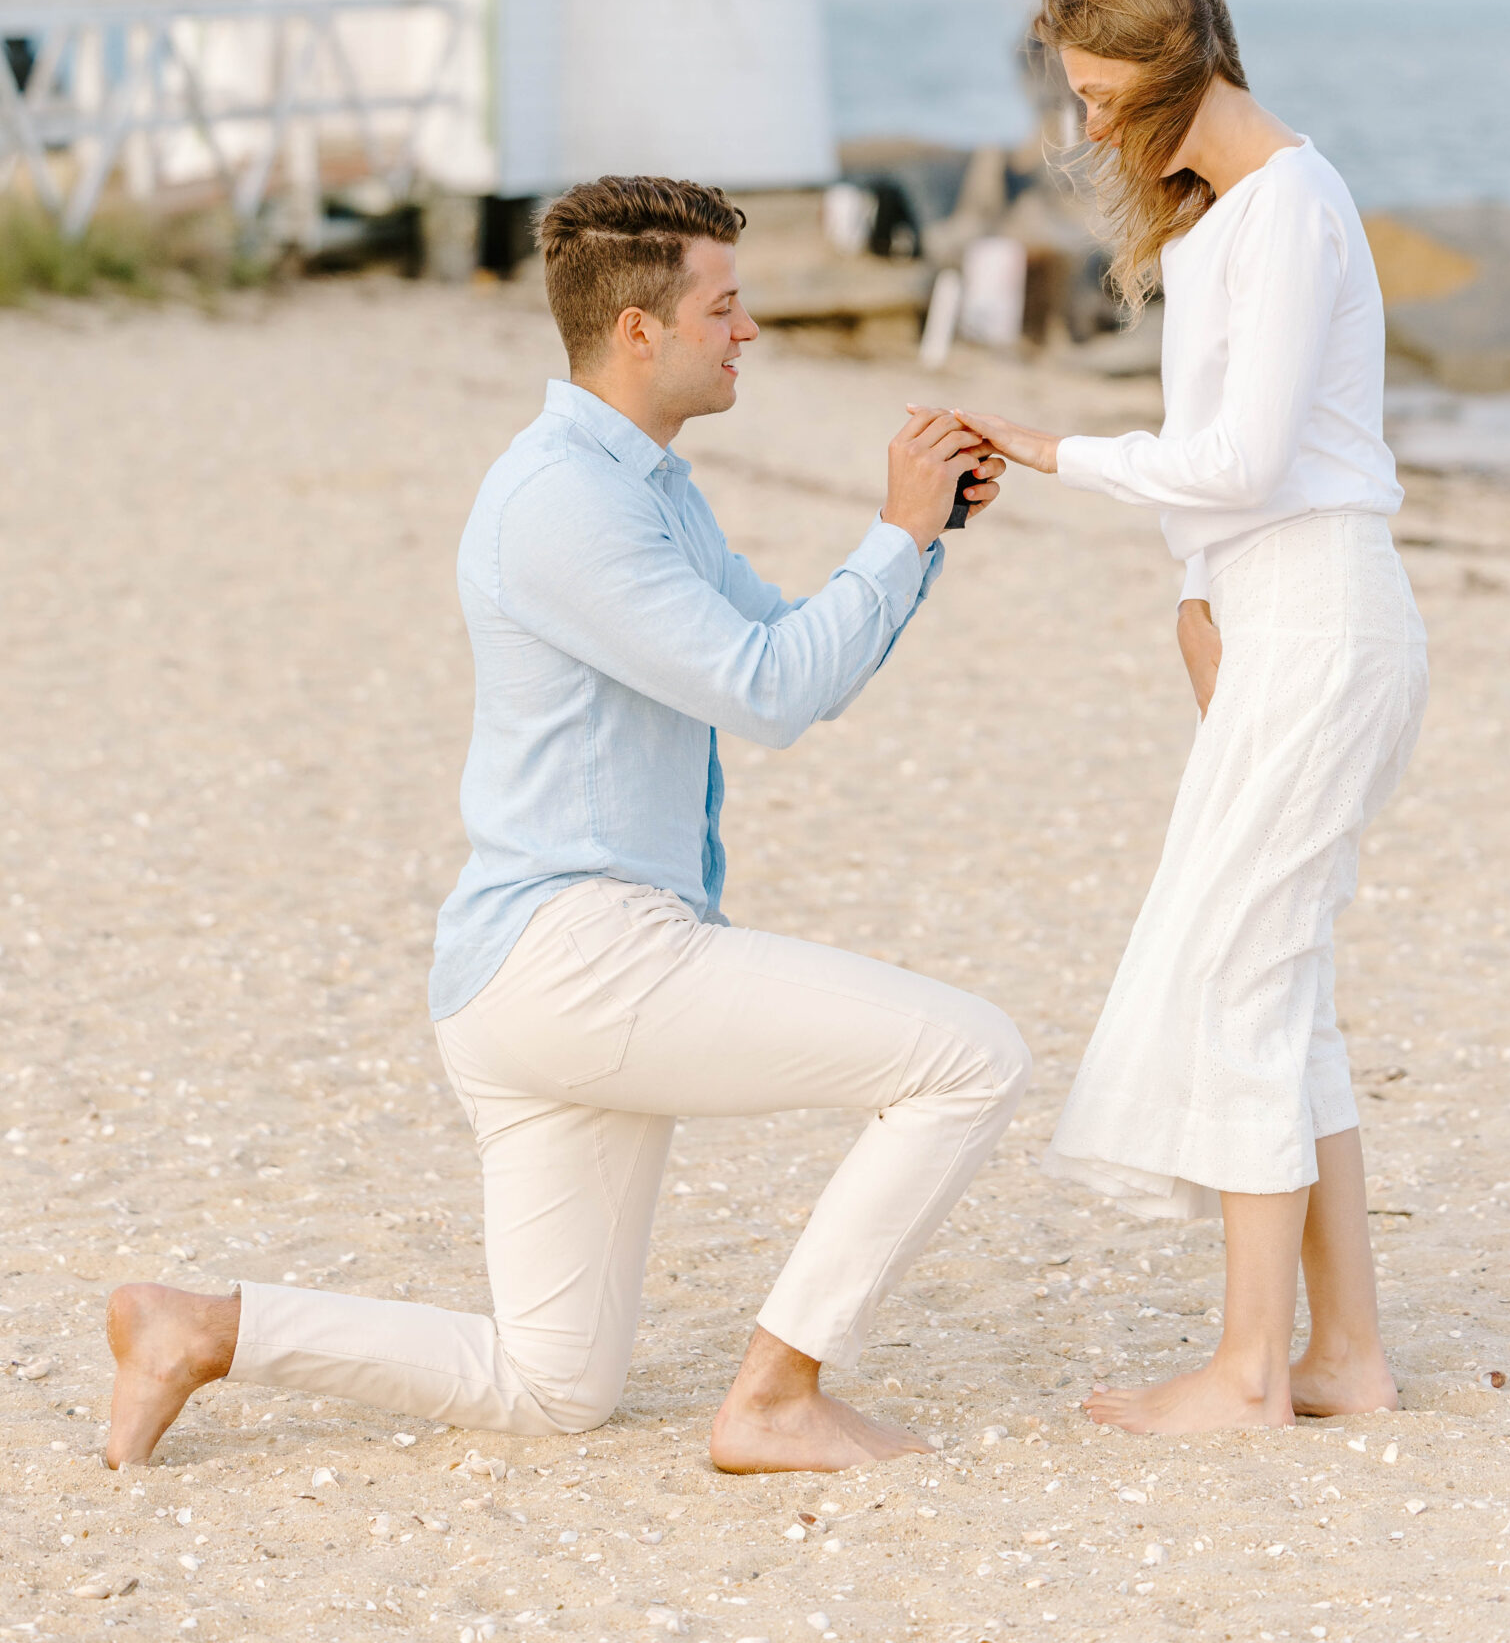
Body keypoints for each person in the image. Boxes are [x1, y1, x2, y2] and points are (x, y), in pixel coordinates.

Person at [106, 174, 1027, 1474]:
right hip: (585, 958)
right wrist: (892, 530)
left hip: (542, 977)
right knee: (969, 1058)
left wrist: (921, 542)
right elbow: (767, 696)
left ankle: (201, 1329)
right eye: (726, 305)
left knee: (554, 1387)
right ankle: (773, 1397)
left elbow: (778, 649)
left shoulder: (642, 484)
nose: (749, 330)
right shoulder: (563, 503)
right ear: (638, 331)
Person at [955, 0, 1427, 1435]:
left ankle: (1243, 1371)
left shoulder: (1289, 203)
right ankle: (1340, 1355)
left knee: (1239, 975)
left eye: (1103, 96)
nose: (1090, 127)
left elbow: (1245, 461)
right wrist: (1195, 601)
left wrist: (1044, 449)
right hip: (1276, 615)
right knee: (1283, 983)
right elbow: (1219, 473)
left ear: (1176, 72)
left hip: (1329, 614)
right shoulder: (1230, 217)